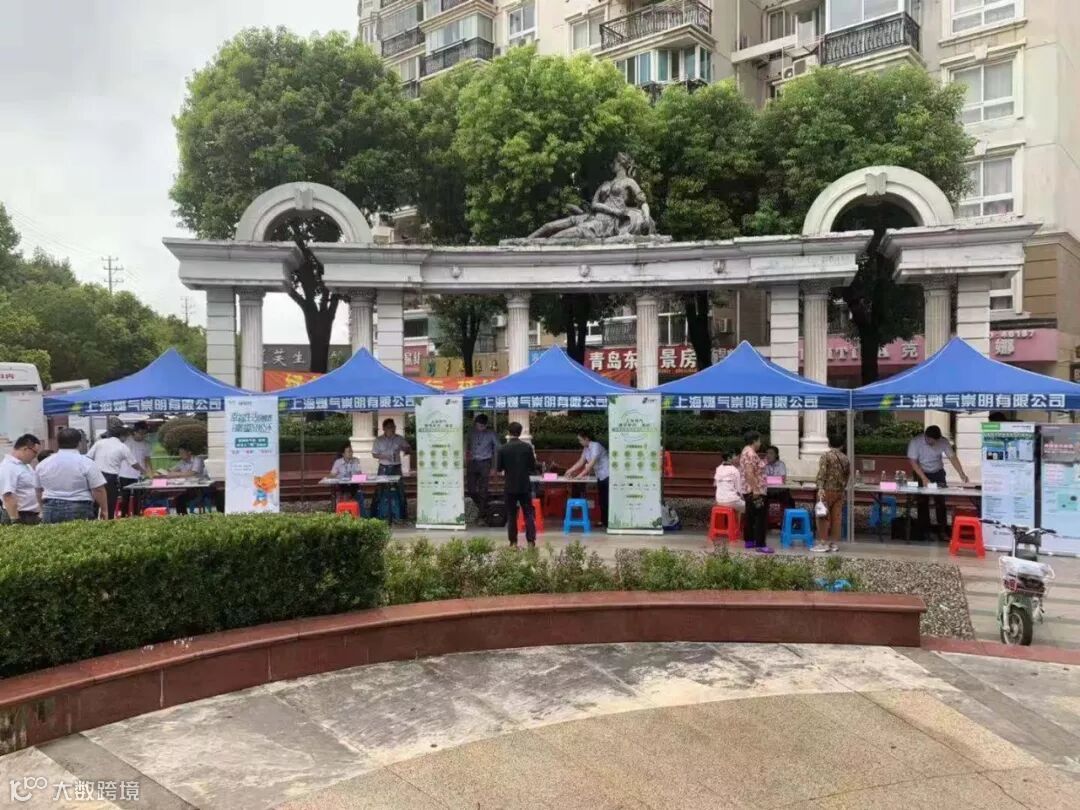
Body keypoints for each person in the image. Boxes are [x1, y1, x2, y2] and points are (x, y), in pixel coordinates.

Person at [907, 425, 969, 542]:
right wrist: (924, 478)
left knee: (940, 501)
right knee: (922, 501)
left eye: (935, 441)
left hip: (938, 472)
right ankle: (924, 532)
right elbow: (913, 462)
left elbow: (952, 457)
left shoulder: (943, 442)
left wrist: (961, 473)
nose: (933, 443)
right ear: (925, 436)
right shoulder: (915, 442)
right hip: (921, 471)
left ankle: (942, 531)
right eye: (930, 441)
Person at [35, 427, 108, 523]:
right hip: (79, 507)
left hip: (50, 507)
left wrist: (42, 508)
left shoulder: (43, 464)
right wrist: (104, 510)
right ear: (79, 443)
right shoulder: (87, 463)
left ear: (58, 442)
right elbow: (98, 489)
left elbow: (38, 490)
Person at [87, 427, 145, 519]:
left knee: (96, 501)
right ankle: (109, 521)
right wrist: (143, 470)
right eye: (125, 436)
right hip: (110, 478)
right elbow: (133, 463)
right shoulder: (122, 447)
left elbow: (88, 457)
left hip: (95, 475)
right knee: (110, 502)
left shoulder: (99, 443)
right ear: (121, 436)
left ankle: (92, 521)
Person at [496, 421, 537, 548]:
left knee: (511, 515)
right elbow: (532, 467)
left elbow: (499, 468)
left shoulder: (503, 448)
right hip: (524, 485)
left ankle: (513, 542)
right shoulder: (527, 447)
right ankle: (530, 541)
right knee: (528, 513)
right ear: (520, 432)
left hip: (510, 486)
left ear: (508, 432)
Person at [566, 429, 610, 528]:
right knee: (602, 500)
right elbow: (581, 462)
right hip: (600, 476)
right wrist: (569, 470)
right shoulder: (586, 449)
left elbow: (591, 464)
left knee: (606, 500)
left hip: (607, 474)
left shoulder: (596, 446)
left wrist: (579, 476)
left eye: (580, 440)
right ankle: (604, 522)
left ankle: (608, 523)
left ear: (586, 439)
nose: (579, 442)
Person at [815, 434, 851, 553]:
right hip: (839, 491)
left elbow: (822, 473)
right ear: (842, 445)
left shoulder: (826, 456)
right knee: (836, 518)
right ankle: (834, 543)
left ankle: (823, 542)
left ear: (829, 443)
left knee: (822, 516)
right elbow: (847, 475)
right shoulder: (845, 458)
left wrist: (820, 487)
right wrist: (842, 486)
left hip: (826, 490)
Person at [738, 431, 771, 553]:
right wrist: (756, 489)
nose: (760, 443)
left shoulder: (746, 452)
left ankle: (750, 541)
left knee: (750, 516)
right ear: (754, 441)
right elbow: (749, 472)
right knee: (760, 517)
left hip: (749, 490)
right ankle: (760, 544)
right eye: (759, 441)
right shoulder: (750, 453)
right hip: (755, 491)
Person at [372, 418, 410, 521]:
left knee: (400, 489)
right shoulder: (379, 440)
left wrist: (404, 449)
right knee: (380, 489)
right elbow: (374, 454)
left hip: (396, 467)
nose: (392, 429)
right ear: (384, 428)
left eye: (393, 427)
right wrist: (384, 456)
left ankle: (402, 515)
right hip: (383, 467)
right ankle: (376, 513)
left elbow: (408, 449)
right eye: (389, 427)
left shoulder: (399, 438)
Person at [169, 444, 224, 514]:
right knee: (179, 499)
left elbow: (192, 473)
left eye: (182, 453)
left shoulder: (197, 460)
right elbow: (171, 471)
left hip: (204, 488)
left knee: (219, 495)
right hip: (191, 489)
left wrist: (177, 474)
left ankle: (222, 515)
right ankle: (183, 517)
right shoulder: (181, 462)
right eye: (179, 453)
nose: (180, 455)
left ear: (189, 452)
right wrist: (169, 472)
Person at [1, 433, 42, 525]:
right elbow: (8, 496)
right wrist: (15, 521)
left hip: (31, 515)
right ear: (25, 449)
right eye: (35, 452)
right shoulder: (8, 467)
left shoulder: (25, 465)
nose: (35, 456)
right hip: (18, 515)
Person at [466, 414, 499, 519]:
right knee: (471, 489)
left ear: (486, 425)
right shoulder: (471, 432)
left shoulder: (491, 433)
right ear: (475, 424)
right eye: (478, 426)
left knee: (483, 489)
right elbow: (467, 445)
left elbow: (498, 448)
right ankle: (483, 507)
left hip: (485, 462)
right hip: (472, 462)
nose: (480, 428)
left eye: (482, 426)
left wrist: (494, 467)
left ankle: (482, 514)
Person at [119, 422, 152, 516]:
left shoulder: (146, 444)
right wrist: (143, 470)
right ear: (135, 432)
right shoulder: (126, 442)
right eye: (141, 433)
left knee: (138, 498)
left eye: (144, 433)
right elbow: (129, 460)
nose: (142, 436)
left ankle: (137, 516)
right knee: (125, 497)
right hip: (125, 474)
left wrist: (151, 473)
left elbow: (147, 460)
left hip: (139, 475)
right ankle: (124, 517)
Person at [764, 445, 795, 513]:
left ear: (776, 455)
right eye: (767, 453)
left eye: (771, 453)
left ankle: (789, 516)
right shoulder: (765, 465)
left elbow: (782, 479)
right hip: (768, 491)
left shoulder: (781, 464)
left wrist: (769, 479)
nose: (768, 455)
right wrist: (775, 479)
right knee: (760, 501)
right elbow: (763, 479)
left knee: (789, 499)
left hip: (779, 491)